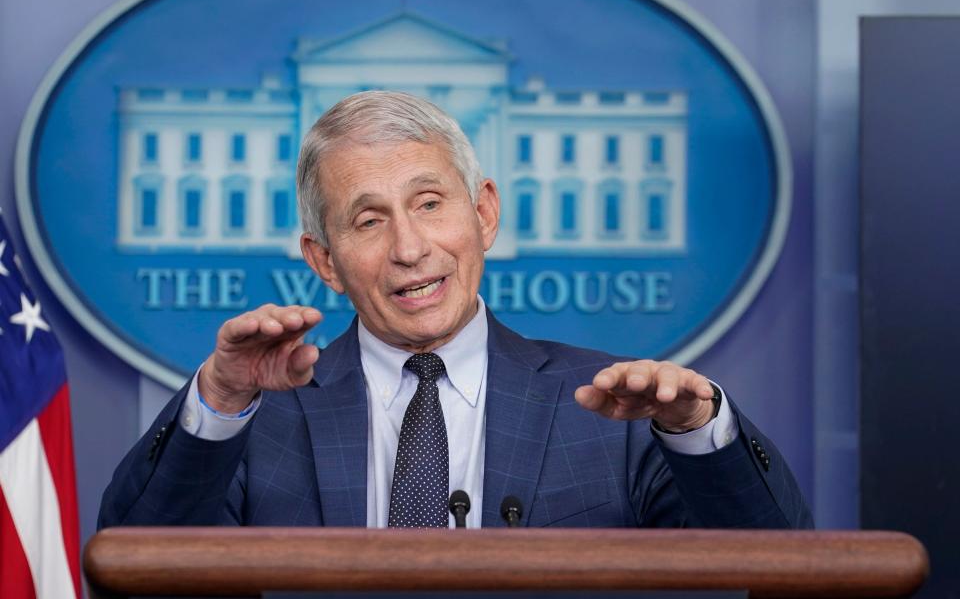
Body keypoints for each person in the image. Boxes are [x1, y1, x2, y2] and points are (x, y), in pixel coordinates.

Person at [99, 91, 812, 529]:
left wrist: (696, 431)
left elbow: (775, 569)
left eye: (430, 204)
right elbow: (130, 570)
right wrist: (221, 401)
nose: (410, 248)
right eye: (369, 220)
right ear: (324, 261)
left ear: (485, 215)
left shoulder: (612, 410)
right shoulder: (254, 419)